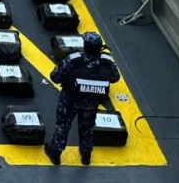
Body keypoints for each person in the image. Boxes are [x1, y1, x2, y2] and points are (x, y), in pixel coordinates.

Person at [44, 31, 122, 165]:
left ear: (85, 45)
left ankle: (55, 153)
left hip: (70, 100)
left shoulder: (74, 59)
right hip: (91, 102)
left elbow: (54, 77)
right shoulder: (107, 61)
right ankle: (86, 156)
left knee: (63, 126)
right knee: (87, 128)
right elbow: (115, 78)